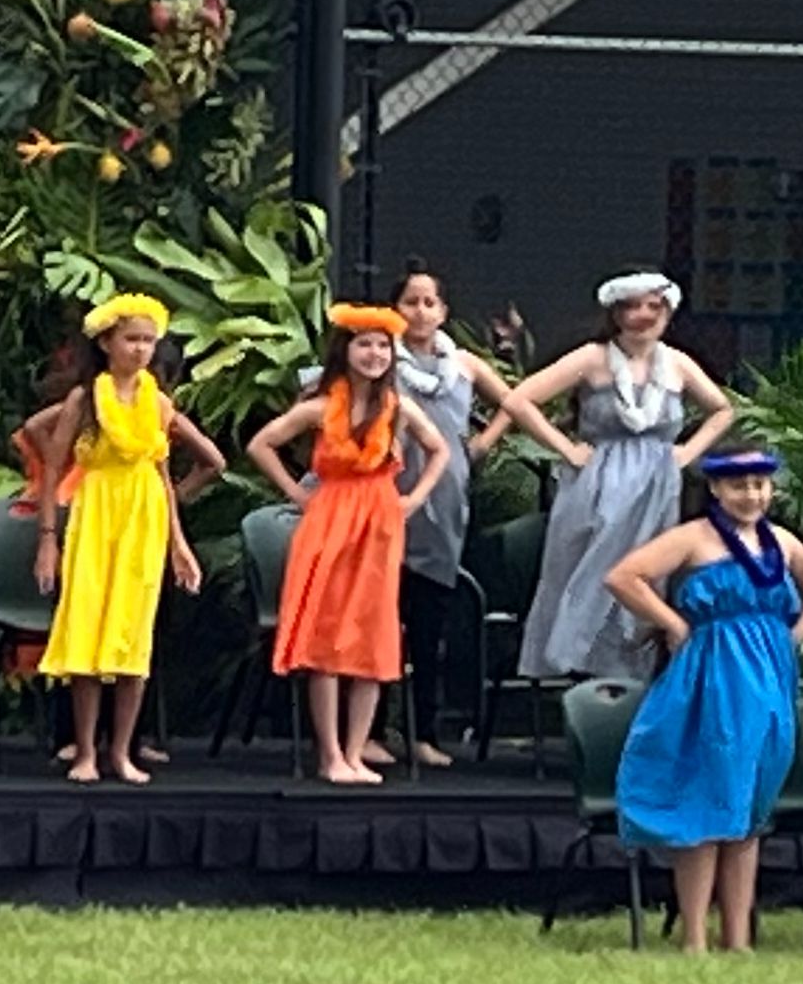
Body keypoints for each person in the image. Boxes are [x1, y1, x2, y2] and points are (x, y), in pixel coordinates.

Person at [604, 449, 803, 954]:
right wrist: (674, 623)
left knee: (749, 809)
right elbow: (623, 577)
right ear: (715, 489)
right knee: (711, 800)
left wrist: (796, 634)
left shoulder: (784, 543)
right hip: (714, 678)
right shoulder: (694, 539)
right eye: (739, 486)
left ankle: (738, 938)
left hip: (770, 678)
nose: (751, 495)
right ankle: (694, 938)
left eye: (760, 484)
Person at [379, 263, 586, 767]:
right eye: (411, 302)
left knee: (429, 627)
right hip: (385, 500)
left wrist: (483, 443)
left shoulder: (465, 365)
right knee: (380, 624)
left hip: (444, 503)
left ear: (444, 312)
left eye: (431, 303)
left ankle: (423, 733)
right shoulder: (381, 362)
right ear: (396, 309)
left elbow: (515, 401)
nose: (421, 312)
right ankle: (372, 729)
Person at [244, 304, 451, 785]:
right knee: (328, 635)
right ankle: (331, 755)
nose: (375, 353)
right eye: (365, 344)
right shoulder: (321, 405)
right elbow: (262, 443)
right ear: (346, 350)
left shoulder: (396, 406)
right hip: (329, 519)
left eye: (383, 345)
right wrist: (296, 491)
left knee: (372, 635)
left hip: (379, 522)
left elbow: (439, 448)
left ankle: (356, 753)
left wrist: (413, 499)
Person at [496, 271, 732, 681]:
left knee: (646, 578)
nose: (644, 315)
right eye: (633, 306)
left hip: (658, 487)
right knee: (593, 575)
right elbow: (519, 399)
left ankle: (633, 681)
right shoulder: (593, 357)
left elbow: (723, 409)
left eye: (653, 307)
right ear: (616, 313)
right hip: (600, 484)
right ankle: (581, 679)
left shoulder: (676, 363)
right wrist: (567, 448)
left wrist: (686, 453)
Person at [32, 294, 223, 784]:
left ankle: (121, 752)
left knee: (134, 637)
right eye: (131, 339)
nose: (140, 350)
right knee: (89, 632)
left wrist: (178, 542)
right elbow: (53, 465)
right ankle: (85, 754)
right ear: (105, 342)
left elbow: (161, 473)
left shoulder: (158, 402)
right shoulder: (84, 399)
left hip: (143, 519)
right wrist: (48, 538)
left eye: (148, 341)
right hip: (96, 513)